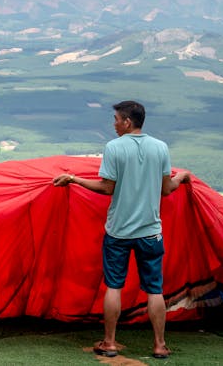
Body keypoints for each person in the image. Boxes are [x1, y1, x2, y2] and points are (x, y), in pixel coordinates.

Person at [52, 100, 191, 360]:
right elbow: (167, 188)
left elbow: (107, 188)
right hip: (151, 233)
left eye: (116, 119)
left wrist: (74, 179)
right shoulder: (160, 148)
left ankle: (110, 342)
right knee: (154, 289)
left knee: (114, 286)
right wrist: (183, 177)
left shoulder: (114, 148)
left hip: (119, 233)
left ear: (127, 122)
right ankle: (160, 345)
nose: (113, 124)